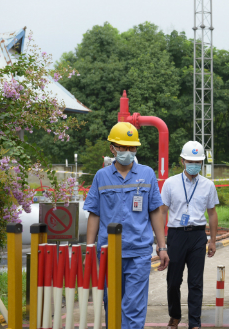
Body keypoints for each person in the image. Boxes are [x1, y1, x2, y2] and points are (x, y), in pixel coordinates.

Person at [84, 122, 169, 329]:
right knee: (110, 302)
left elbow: (155, 211)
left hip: (138, 251)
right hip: (108, 252)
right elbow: (94, 214)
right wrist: (89, 249)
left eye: (132, 148)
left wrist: (162, 246)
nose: (128, 152)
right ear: (113, 148)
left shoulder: (147, 174)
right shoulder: (101, 176)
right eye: (123, 147)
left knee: (134, 305)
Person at [161, 141, 219, 329]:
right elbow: (162, 212)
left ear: (202, 163)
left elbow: (212, 213)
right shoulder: (170, 183)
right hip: (176, 235)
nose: (194, 164)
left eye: (198, 161)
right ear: (182, 161)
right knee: (173, 281)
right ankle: (175, 315)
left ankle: (194, 322)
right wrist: (161, 242)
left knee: (195, 282)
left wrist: (212, 241)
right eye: (190, 160)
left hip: (197, 236)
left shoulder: (208, 185)